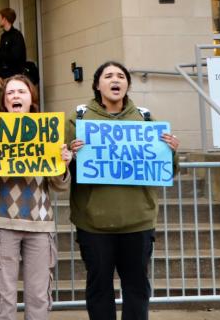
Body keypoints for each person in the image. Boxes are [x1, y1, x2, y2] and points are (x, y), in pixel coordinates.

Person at [66, 61, 180, 320]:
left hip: (138, 223)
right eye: (108, 76)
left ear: (127, 84)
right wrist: (69, 155)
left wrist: (171, 153)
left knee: (137, 289)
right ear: (97, 84)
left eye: (120, 76)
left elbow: (167, 170)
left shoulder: (146, 118)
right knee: (99, 288)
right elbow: (63, 170)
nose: (115, 80)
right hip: (93, 224)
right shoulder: (79, 119)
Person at [0, 75, 72, 320]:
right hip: (2, 224)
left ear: (31, 98)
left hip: (40, 224)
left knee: (38, 296)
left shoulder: (48, 134)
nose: (15, 96)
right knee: (3, 297)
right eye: (10, 93)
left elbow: (59, 186)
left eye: (21, 92)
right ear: (4, 102)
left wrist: (64, 164)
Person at [0, 8, 26, 88]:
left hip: (15, 77)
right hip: (4, 78)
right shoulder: (3, 36)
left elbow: (15, 56)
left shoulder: (16, 35)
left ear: (4, 19)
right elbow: (1, 60)